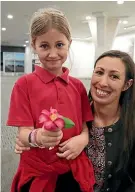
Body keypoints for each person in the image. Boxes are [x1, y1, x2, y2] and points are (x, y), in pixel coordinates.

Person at [15, 50, 135, 192]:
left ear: (127, 84)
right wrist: (30, 140)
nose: (103, 82)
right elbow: (46, 147)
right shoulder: (74, 117)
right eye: (99, 72)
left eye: (114, 76)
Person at [7, 8, 95, 192]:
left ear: (69, 43)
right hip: (38, 172)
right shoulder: (23, 85)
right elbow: (23, 132)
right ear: (34, 44)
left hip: (73, 169)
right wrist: (37, 136)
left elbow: (85, 126)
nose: (53, 53)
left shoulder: (78, 86)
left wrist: (82, 140)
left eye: (60, 45)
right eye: (45, 46)